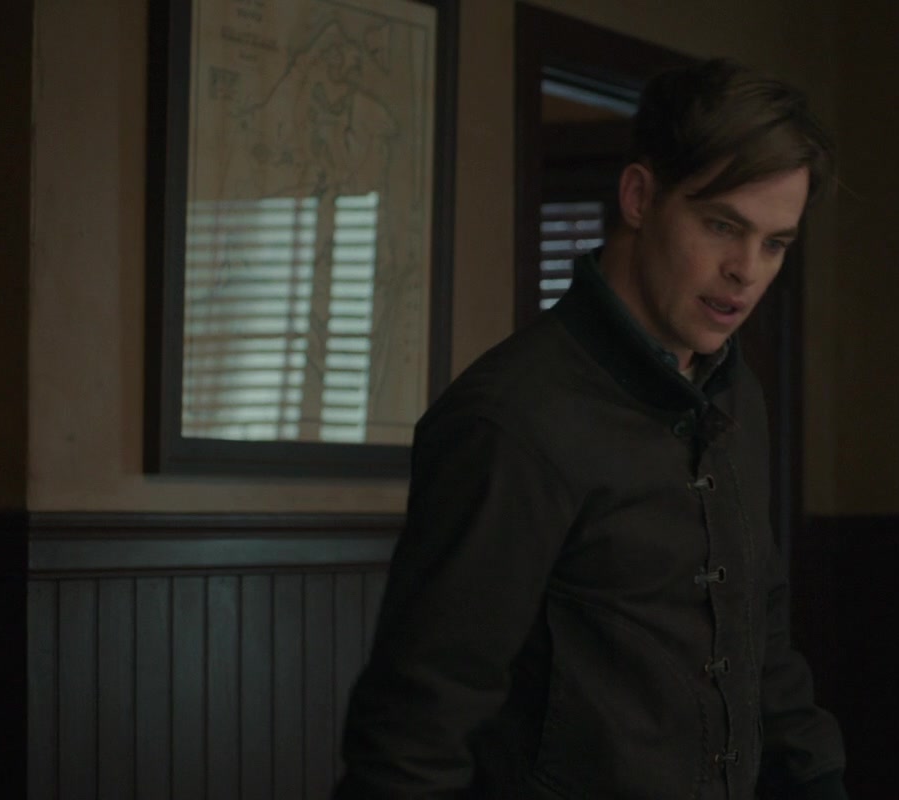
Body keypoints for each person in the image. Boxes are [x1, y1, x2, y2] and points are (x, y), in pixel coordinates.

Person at [334, 58, 847, 799]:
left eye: (774, 243)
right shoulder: (510, 419)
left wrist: (817, 778)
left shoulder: (737, 395)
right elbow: (417, 730)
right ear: (639, 197)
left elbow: (758, 635)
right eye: (721, 225)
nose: (746, 270)